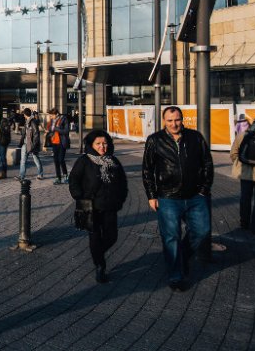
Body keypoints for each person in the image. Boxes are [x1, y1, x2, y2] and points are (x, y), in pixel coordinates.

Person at [142, 105, 213, 292]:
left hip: (195, 196)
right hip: (168, 197)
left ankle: (181, 257)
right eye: (170, 120)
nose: (174, 124)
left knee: (202, 232)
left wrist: (204, 189)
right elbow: (147, 170)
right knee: (171, 237)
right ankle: (176, 276)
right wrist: (151, 195)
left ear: (182, 119)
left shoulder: (195, 137)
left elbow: (207, 163)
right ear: (164, 121)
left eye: (177, 120)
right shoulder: (155, 140)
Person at [69, 130, 128, 283]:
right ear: (91, 145)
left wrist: (121, 198)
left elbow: (122, 182)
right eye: (98, 144)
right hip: (90, 207)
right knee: (94, 238)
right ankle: (100, 265)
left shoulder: (113, 160)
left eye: (105, 143)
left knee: (111, 237)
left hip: (110, 206)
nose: (102, 146)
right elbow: (74, 179)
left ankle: (97, 254)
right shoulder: (84, 160)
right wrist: (79, 196)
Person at [17, 108, 44, 180]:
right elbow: (24, 134)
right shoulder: (27, 121)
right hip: (25, 143)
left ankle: (40, 174)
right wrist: (21, 142)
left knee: (36, 159)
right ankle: (21, 176)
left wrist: (34, 145)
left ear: (25, 114)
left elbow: (36, 134)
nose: (23, 116)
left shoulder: (32, 122)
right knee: (23, 160)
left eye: (23, 114)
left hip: (31, 144)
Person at [46, 108, 71, 184]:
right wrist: (49, 131)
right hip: (54, 142)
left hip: (62, 142)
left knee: (61, 159)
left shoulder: (64, 119)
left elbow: (66, 131)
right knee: (56, 160)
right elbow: (51, 130)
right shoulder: (52, 121)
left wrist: (56, 128)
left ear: (56, 114)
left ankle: (66, 176)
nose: (51, 117)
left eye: (52, 115)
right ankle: (58, 178)